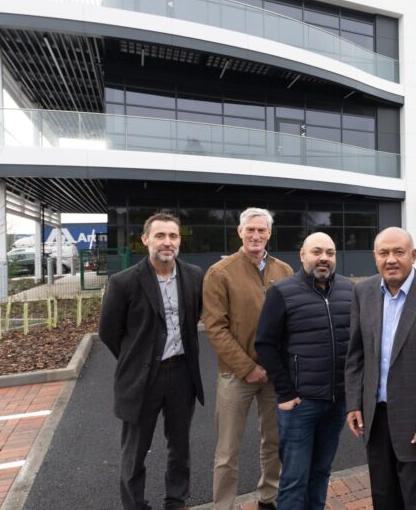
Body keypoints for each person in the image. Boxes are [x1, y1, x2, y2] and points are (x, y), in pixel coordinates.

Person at [344, 227, 416, 510]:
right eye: (384, 253)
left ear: (414, 255)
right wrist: (354, 402)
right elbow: (355, 356)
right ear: (375, 257)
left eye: (399, 252)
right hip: (376, 420)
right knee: (384, 500)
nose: (391, 259)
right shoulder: (363, 292)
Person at [99, 212, 204, 510]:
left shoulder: (194, 275)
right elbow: (108, 332)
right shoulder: (123, 282)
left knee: (180, 446)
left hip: (182, 373)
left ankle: (176, 500)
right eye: (160, 236)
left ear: (179, 240)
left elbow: (193, 317)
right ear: (145, 240)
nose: (167, 242)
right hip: (142, 379)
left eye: (173, 236)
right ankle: (135, 505)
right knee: (135, 451)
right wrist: (137, 360)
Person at [202, 207, 294, 510]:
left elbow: (292, 321)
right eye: (250, 229)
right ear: (240, 232)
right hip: (236, 375)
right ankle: (223, 505)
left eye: (262, 230)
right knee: (227, 450)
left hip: (274, 375)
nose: (256, 235)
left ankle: (268, 497)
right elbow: (215, 328)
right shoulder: (220, 273)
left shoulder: (284, 271)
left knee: (274, 441)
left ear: (269, 233)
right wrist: (247, 367)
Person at [254, 232, 352, 509]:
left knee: (321, 473)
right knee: (295, 478)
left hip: (336, 402)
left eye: (330, 253)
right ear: (302, 256)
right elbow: (265, 344)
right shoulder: (282, 292)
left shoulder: (349, 290)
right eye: (317, 252)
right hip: (300, 404)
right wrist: (285, 392)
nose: (324, 258)